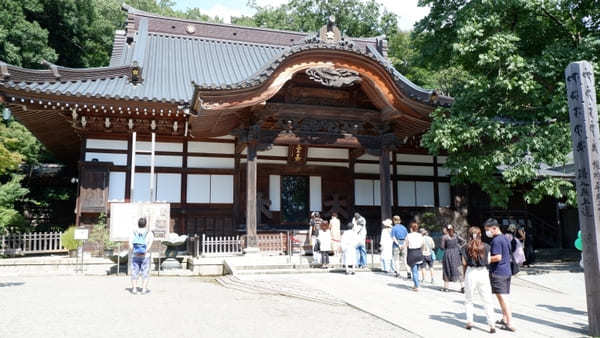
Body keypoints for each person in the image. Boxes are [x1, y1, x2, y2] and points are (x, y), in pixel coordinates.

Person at [462, 226, 495, 333]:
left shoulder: (465, 247)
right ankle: (492, 325)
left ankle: (470, 322)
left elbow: (464, 263)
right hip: (483, 273)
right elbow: (489, 260)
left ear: (469, 235)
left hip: (471, 273)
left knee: (469, 299)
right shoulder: (486, 246)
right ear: (480, 234)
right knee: (487, 300)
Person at [485, 218, 516, 332]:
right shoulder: (505, 238)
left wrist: (485, 259)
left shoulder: (496, 241)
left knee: (503, 298)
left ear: (494, 228)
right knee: (503, 297)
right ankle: (504, 318)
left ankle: (509, 322)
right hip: (506, 271)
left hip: (498, 272)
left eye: (488, 230)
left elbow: (498, 257)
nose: (487, 232)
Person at [129, 217, 154, 295]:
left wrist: (134, 251)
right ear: (145, 224)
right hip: (145, 256)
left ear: (138, 223)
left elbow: (130, 243)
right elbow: (150, 243)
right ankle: (143, 289)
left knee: (134, 272)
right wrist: (145, 251)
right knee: (145, 272)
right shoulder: (149, 232)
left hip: (135, 255)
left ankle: (134, 289)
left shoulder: (133, 232)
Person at [441, 224, 464, 292]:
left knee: (446, 268)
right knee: (459, 269)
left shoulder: (444, 237)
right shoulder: (456, 236)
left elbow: (442, 247)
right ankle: (463, 287)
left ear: (446, 230)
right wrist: (458, 247)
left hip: (448, 253)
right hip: (456, 253)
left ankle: (446, 288)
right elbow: (463, 241)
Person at [404, 221, 424, 291]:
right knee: (416, 270)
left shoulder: (408, 235)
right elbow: (422, 244)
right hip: (418, 252)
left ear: (411, 228)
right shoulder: (420, 235)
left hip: (412, 253)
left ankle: (417, 286)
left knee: (414, 271)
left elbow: (406, 245)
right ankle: (416, 284)